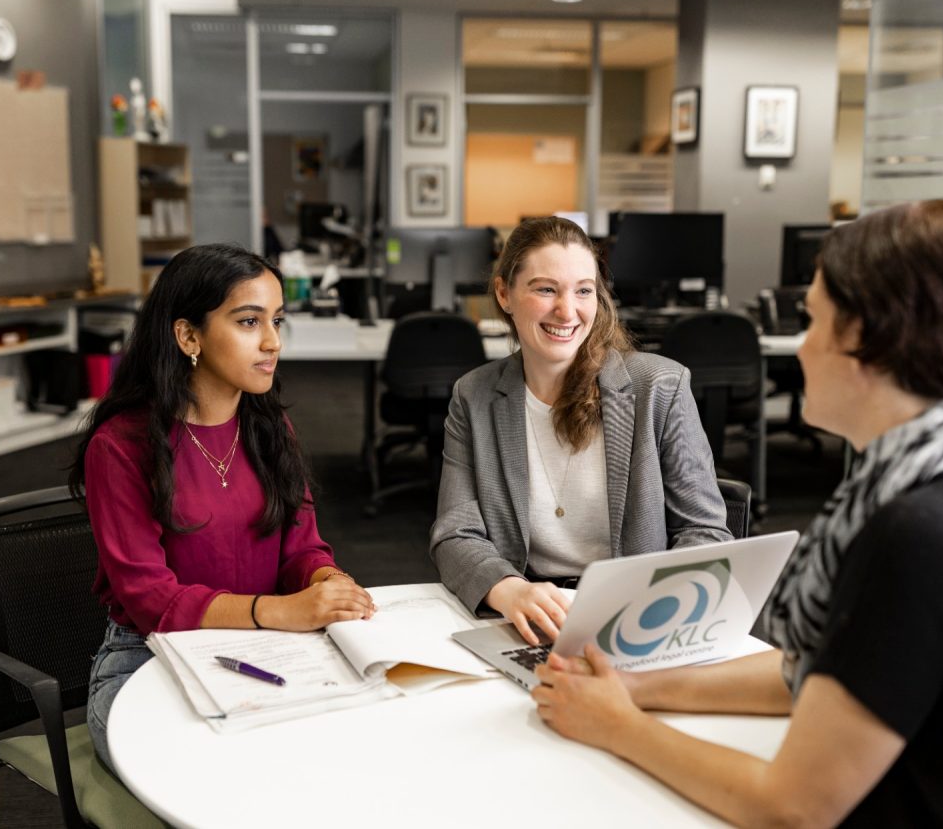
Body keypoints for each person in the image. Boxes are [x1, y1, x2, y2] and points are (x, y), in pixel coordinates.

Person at [531, 199, 943, 827]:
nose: (801, 349)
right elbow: (818, 676)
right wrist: (639, 689)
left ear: (868, 340)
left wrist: (618, 726)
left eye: (813, 322)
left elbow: (795, 808)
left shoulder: (918, 535)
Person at [68, 244, 375, 772]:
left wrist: (326, 579)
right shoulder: (121, 445)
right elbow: (152, 600)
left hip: (266, 647)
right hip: (148, 660)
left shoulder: (269, 427)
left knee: (340, 753)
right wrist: (280, 611)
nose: (273, 341)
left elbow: (301, 547)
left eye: (276, 320)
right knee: (215, 773)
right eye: (249, 321)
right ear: (188, 335)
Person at [430, 216, 731, 644]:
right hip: (530, 617)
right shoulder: (473, 396)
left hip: (638, 616)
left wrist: (647, 605)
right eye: (545, 289)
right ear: (504, 293)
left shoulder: (658, 389)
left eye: (584, 290)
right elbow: (455, 534)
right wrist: (510, 590)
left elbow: (706, 533)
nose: (567, 311)